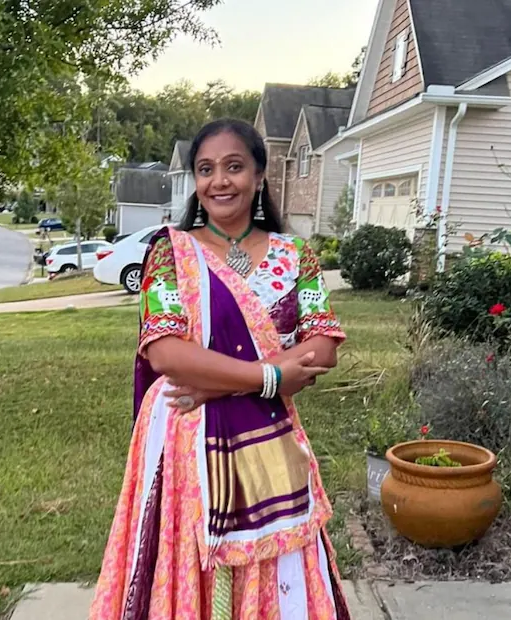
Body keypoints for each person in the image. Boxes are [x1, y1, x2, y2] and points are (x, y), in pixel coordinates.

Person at [90, 119, 351, 619]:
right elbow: (165, 353)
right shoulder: (169, 254)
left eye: (234, 166)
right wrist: (270, 377)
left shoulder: (296, 255)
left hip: (265, 434)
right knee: (190, 559)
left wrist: (218, 386)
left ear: (259, 175)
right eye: (206, 169)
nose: (220, 181)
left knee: (274, 557)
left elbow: (322, 346)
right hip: (185, 438)